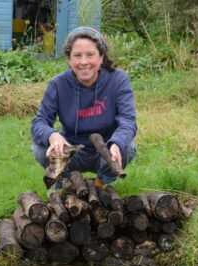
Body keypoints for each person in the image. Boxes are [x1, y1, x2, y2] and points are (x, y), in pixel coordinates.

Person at [30, 27, 137, 188]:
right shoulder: (58, 84)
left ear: (101, 57)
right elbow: (39, 122)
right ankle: (67, 186)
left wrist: (116, 143)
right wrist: (52, 135)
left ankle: (100, 186)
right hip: (71, 150)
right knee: (39, 149)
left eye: (90, 55)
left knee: (127, 146)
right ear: (68, 58)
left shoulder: (118, 79)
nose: (83, 62)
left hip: (106, 150)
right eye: (77, 56)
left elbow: (128, 120)